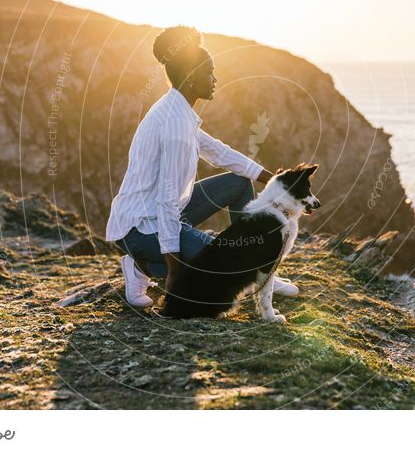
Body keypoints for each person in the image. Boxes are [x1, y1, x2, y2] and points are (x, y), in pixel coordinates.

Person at [105, 25, 299, 308]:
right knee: (222, 264)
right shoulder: (174, 123)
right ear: (190, 76)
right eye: (209, 71)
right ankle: (142, 267)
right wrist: (173, 270)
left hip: (160, 216)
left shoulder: (180, 111)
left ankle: (257, 269)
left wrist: (276, 180)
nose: (215, 77)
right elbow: (167, 200)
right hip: (140, 229)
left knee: (238, 183)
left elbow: (219, 152)